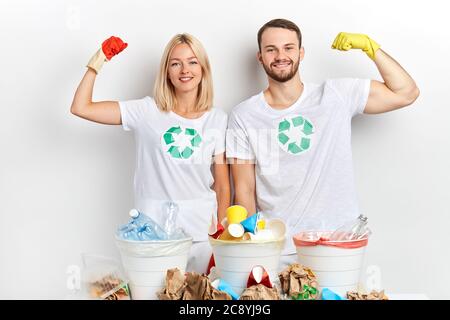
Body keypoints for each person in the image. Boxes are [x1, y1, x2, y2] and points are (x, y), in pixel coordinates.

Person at [226, 19, 419, 266]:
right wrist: (253, 249)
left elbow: (406, 93)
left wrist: (371, 48)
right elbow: (243, 189)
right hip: (278, 248)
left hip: (338, 242)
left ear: (301, 52)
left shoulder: (335, 95)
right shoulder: (243, 115)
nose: (280, 55)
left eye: (288, 48)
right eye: (271, 49)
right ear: (260, 57)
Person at [70, 34, 230, 273]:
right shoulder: (146, 111)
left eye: (193, 62)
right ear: (166, 71)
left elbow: (222, 185)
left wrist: (221, 232)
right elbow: (81, 107)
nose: (185, 69)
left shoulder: (217, 118)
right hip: (153, 232)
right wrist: (98, 61)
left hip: (201, 232)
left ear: (204, 68)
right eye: (176, 63)